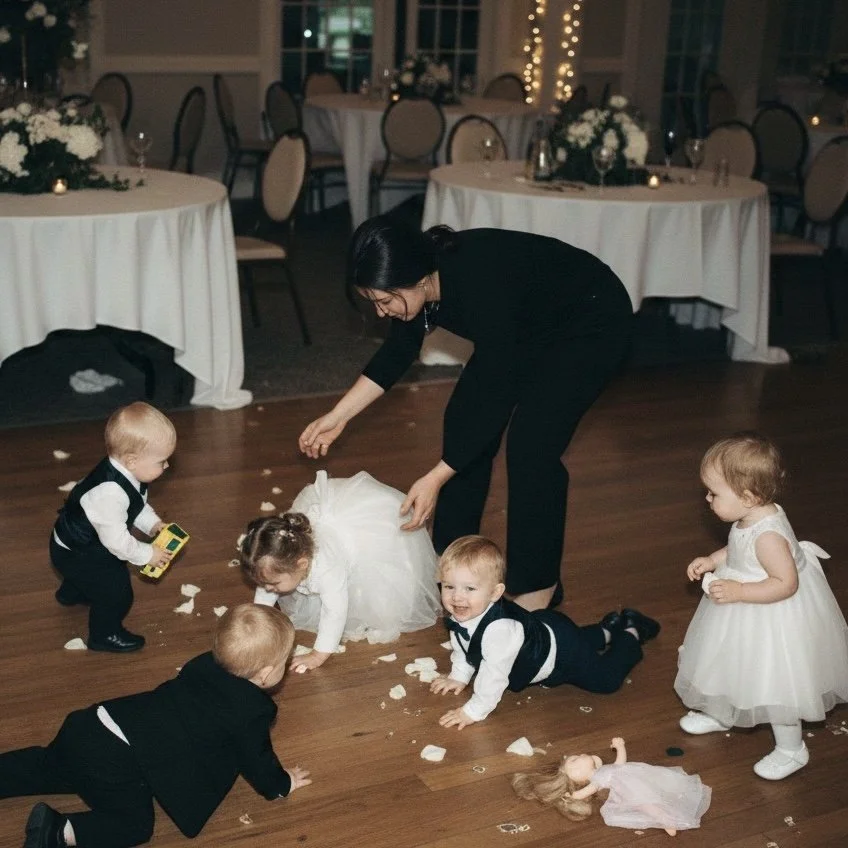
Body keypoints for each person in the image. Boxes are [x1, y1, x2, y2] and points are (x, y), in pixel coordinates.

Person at [298, 216, 634, 611]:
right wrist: (339, 415)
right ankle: (452, 565)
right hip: (522, 328)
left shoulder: (479, 284)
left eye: (385, 301)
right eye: (373, 303)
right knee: (463, 419)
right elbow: (398, 353)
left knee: (532, 446)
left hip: (590, 321)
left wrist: (437, 476)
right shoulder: (420, 281)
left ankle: (536, 587)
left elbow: (498, 391)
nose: (380, 313)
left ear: (420, 279)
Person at [0, 604, 311, 848]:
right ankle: (60, 831)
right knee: (134, 826)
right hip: (115, 761)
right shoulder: (250, 711)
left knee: (45, 765)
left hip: (94, 722)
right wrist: (281, 784)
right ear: (267, 672)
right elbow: (256, 758)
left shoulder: (204, 664)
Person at [674, 433, 848, 780]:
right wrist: (712, 559)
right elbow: (739, 549)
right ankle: (723, 711)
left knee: (778, 681)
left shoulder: (769, 536)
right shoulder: (748, 518)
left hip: (772, 614)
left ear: (748, 497)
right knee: (728, 660)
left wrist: (739, 591)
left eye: (714, 493)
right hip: (743, 604)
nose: (707, 499)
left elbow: (785, 583)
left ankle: (791, 749)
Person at [427, 536, 659, 728]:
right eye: (449, 586)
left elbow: (493, 676)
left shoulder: (499, 632)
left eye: (469, 588)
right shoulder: (464, 611)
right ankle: (606, 630)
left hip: (559, 653)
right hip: (543, 627)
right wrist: (459, 675)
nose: (456, 597)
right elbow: (463, 645)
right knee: (579, 640)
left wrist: (473, 711)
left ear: (496, 593)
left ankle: (631, 631)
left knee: (605, 681)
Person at [243, 470, 441, 672]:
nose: (267, 588)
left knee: (372, 596)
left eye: (273, 584)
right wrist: (259, 618)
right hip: (333, 531)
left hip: (368, 539)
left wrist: (318, 654)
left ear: (302, 564)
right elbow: (266, 588)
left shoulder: (327, 570)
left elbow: (334, 613)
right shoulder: (280, 562)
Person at [49, 402, 179, 653]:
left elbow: (137, 505)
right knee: (116, 593)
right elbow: (118, 543)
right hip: (80, 551)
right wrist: (148, 554)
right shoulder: (109, 493)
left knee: (84, 575)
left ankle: (71, 592)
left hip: (70, 545)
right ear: (132, 460)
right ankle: (104, 635)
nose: (167, 466)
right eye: (162, 461)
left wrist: (153, 524)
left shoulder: (126, 470)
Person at [512, 736, 711, 835]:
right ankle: (667, 821)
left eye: (573, 758)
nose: (576, 756)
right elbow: (587, 792)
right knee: (647, 805)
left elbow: (620, 764)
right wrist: (572, 797)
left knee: (659, 785)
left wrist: (620, 747)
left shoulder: (604, 771)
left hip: (637, 777)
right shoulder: (598, 781)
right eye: (573, 762)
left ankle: (673, 798)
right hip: (630, 790)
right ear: (579, 779)